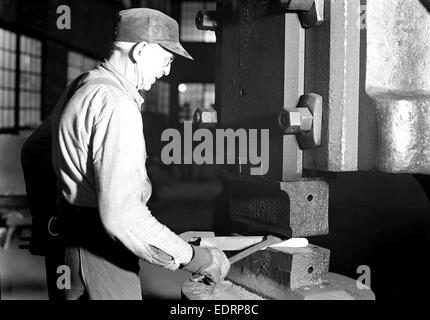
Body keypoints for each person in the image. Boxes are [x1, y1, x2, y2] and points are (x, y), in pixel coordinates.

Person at [22, 8, 230, 300]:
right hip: (101, 254)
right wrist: (195, 258)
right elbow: (122, 216)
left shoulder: (83, 85)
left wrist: (45, 220)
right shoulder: (117, 104)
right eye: (167, 59)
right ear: (142, 50)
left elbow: (33, 151)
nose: (168, 71)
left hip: (65, 247)